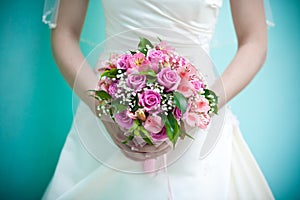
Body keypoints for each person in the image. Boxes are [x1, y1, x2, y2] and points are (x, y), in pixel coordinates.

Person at [42, 0, 274, 199]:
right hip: (109, 114)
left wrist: (198, 110)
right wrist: (104, 110)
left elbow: (254, 42)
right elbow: (64, 33)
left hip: (198, 127)